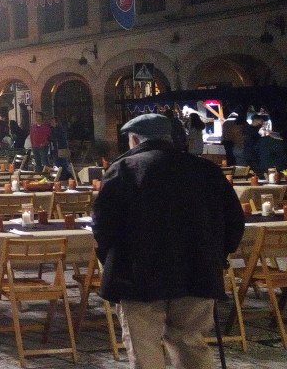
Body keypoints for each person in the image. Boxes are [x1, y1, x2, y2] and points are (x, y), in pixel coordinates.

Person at [92, 113, 245, 369]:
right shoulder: (206, 170)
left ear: (134, 139)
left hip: (139, 274)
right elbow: (234, 221)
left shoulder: (124, 170)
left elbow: (104, 226)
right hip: (197, 270)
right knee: (191, 343)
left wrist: (111, 261)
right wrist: (218, 255)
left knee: (145, 347)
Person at [49, 116, 74, 181]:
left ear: (56, 122)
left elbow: (55, 138)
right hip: (56, 149)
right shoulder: (54, 129)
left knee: (61, 162)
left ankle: (65, 175)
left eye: (52, 121)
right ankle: (62, 175)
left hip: (60, 149)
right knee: (59, 162)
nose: (51, 123)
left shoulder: (59, 129)